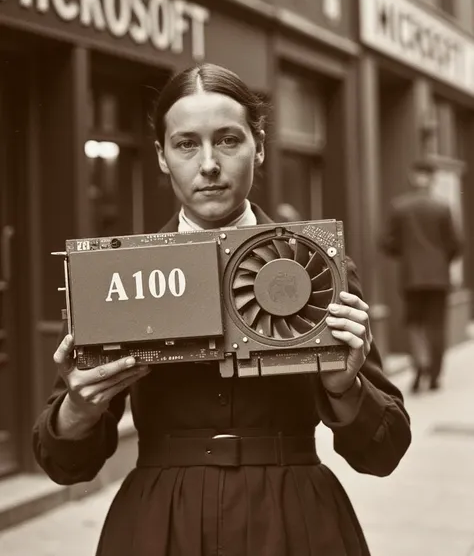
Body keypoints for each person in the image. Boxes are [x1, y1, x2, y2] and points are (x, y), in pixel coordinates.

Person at [33, 64, 411, 556]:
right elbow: (66, 466)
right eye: (186, 144)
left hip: (293, 519)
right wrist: (78, 408)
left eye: (228, 140)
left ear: (259, 147)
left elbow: (383, 452)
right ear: (163, 157)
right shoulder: (114, 276)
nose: (208, 164)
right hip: (163, 523)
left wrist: (345, 386)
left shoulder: (316, 266)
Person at [380, 159, 463, 393]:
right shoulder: (442, 207)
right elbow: (456, 244)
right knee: (436, 326)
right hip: (438, 278)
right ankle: (435, 376)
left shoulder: (400, 207)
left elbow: (386, 242)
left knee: (415, 324)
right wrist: (440, 261)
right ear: (432, 179)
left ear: (411, 177)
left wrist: (406, 255)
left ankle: (420, 366)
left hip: (411, 278)